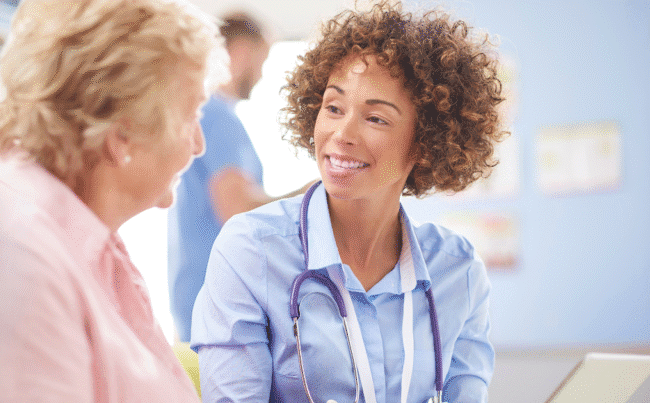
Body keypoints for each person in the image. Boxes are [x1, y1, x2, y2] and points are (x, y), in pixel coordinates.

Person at [0, 0, 228, 401]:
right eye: (190, 119)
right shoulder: (22, 258)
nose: (200, 145)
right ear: (122, 137)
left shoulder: (89, 245)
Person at [190, 1, 506, 402]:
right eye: (334, 108)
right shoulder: (252, 251)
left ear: (426, 143)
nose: (342, 133)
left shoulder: (457, 270)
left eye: (376, 118)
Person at [167, 12, 313, 343]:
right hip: (219, 311)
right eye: (262, 61)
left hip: (199, 302)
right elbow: (237, 211)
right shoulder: (219, 118)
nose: (261, 74)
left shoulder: (206, 114)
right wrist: (310, 195)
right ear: (243, 52)